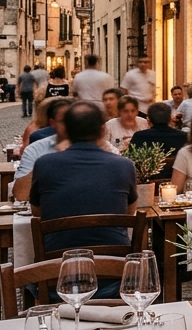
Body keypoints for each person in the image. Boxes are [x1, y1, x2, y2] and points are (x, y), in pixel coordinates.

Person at [29, 101, 138, 261]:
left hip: (57, 266)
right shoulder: (124, 165)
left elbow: (37, 211)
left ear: (66, 130)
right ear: (102, 130)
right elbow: (129, 211)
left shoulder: (44, 164)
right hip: (113, 265)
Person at [13, 97, 75, 201]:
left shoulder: (98, 147)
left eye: (76, 120)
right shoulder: (36, 149)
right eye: (65, 121)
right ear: (52, 123)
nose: (71, 125)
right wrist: (46, 164)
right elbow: (21, 195)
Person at [128, 102, 188, 179]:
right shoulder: (182, 136)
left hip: (147, 182)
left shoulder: (139, 136)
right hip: (176, 180)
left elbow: (130, 162)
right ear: (170, 119)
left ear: (148, 119)